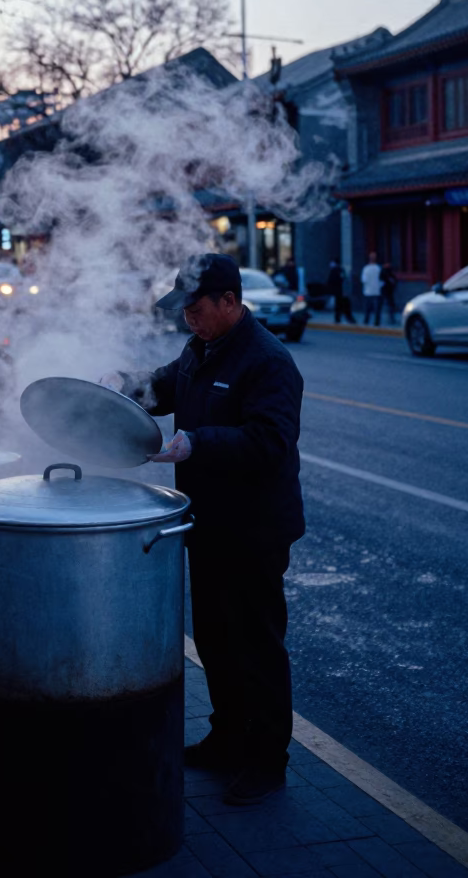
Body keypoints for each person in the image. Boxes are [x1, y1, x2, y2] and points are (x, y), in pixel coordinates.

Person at [100, 253, 304, 806]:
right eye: (184, 311)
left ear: (229, 302)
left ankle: (267, 759)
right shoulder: (200, 348)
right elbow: (165, 385)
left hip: (254, 527)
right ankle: (227, 735)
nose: (188, 319)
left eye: (196, 309)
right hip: (207, 520)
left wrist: (197, 442)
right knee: (215, 637)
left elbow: (270, 441)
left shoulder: (268, 361)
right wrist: (124, 383)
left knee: (255, 643)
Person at [327, 260, 355, 324]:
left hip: (339, 291)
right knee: (342, 305)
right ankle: (345, 318)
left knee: (339, 305)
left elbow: (330, 281)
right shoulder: (341, 270)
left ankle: (338, 318)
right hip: (341, 291)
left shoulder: (335, 270)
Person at [361, 252, 383, 325]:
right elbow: (382, 281)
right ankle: (376, 323)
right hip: (377, 291)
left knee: (367, 309)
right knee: (377, 310)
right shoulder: (378, 268)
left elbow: (364, 280)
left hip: (368, 292)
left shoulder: (366, 269)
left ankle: (366, 322)